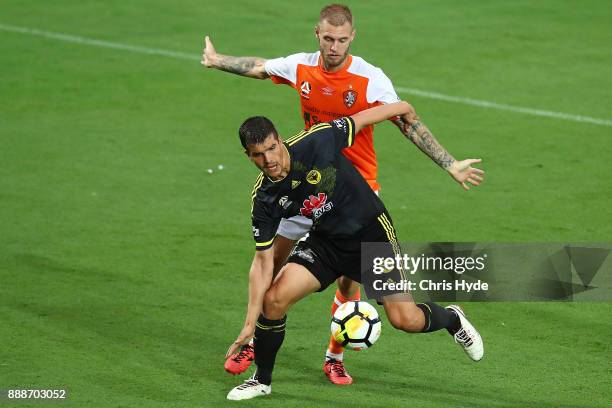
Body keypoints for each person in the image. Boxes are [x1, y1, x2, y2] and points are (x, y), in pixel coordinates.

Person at [203, 4, 477, 384]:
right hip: (302, 183)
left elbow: (404, 120)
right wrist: (218, 61)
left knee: (351, 284)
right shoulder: (302, 67)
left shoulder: (370, 79)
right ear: (317, 33)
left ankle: (335, 356)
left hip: (356, 190)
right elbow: (262, 67)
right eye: (328, 39)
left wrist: (449, 164)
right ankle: (253, 337)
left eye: (342, 40)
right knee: (272, 261)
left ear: (353, 37)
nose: (335, 47)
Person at [225, 101, 485, 400]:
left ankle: (452, 319)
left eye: (271, 148)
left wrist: (402, 107)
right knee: (273, 300)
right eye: (258, 155)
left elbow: (361, 119)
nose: (268, 159)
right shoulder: (265, 198)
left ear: (279, 140)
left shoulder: (317, 140)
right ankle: (262, 380)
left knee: (406, 320)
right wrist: (248, 325)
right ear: (248, 155)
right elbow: (262, 263)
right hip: (326, 243)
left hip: (371, 238)